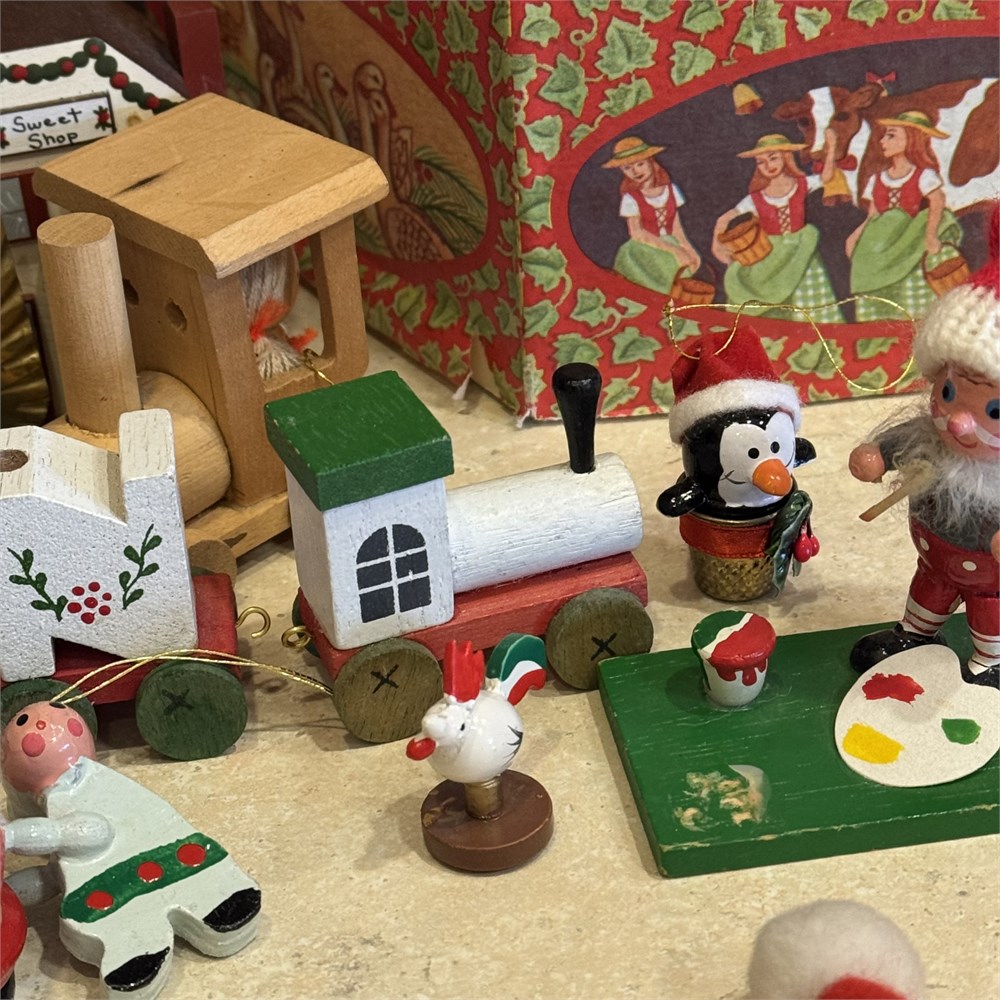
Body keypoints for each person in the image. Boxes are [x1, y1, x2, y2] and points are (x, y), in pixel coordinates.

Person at [848, 211, 999, 685]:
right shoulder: (929, 438)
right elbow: (898, 443)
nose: (957, 420)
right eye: (949, 392)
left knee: (989, 611)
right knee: (929, 590)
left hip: (991, 581)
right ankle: (915, 635)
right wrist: (876, 454)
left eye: (992, 410)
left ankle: (990, 660)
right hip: (934, 558)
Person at [713, 133, 844, 323]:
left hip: (800, 250)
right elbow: (723, 219)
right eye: (761, 162)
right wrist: (717, 245)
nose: (768, 166)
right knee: (756, 294)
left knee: (808, 296)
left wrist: (831, 148)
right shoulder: (756, 198)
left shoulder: (801, 184)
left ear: (786, 157)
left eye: (773, 158)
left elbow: (827, 177)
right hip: (770, 254)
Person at [847, 110, 962, 321]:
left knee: (908, 275)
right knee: (869, 274)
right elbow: (873, 215)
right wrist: (855, 235)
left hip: (906, 236)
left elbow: (937, 201)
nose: (882, 141)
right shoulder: (877, 178)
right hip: (878, 242)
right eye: (884, 135)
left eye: (891, 135)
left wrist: (930, 235)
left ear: (911, 139)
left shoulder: (922, 175)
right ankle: (875, 323)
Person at [603, 136, 700, 293]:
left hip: (670, 242)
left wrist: (689, 250)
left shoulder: (671, 190)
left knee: (683, 276)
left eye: (640, 164)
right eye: (627, 168)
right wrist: (675, 250)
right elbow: (637, 233)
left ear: (651, 162)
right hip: (642, 248)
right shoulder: (630, 198)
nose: (635, 171)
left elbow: (676, 228)